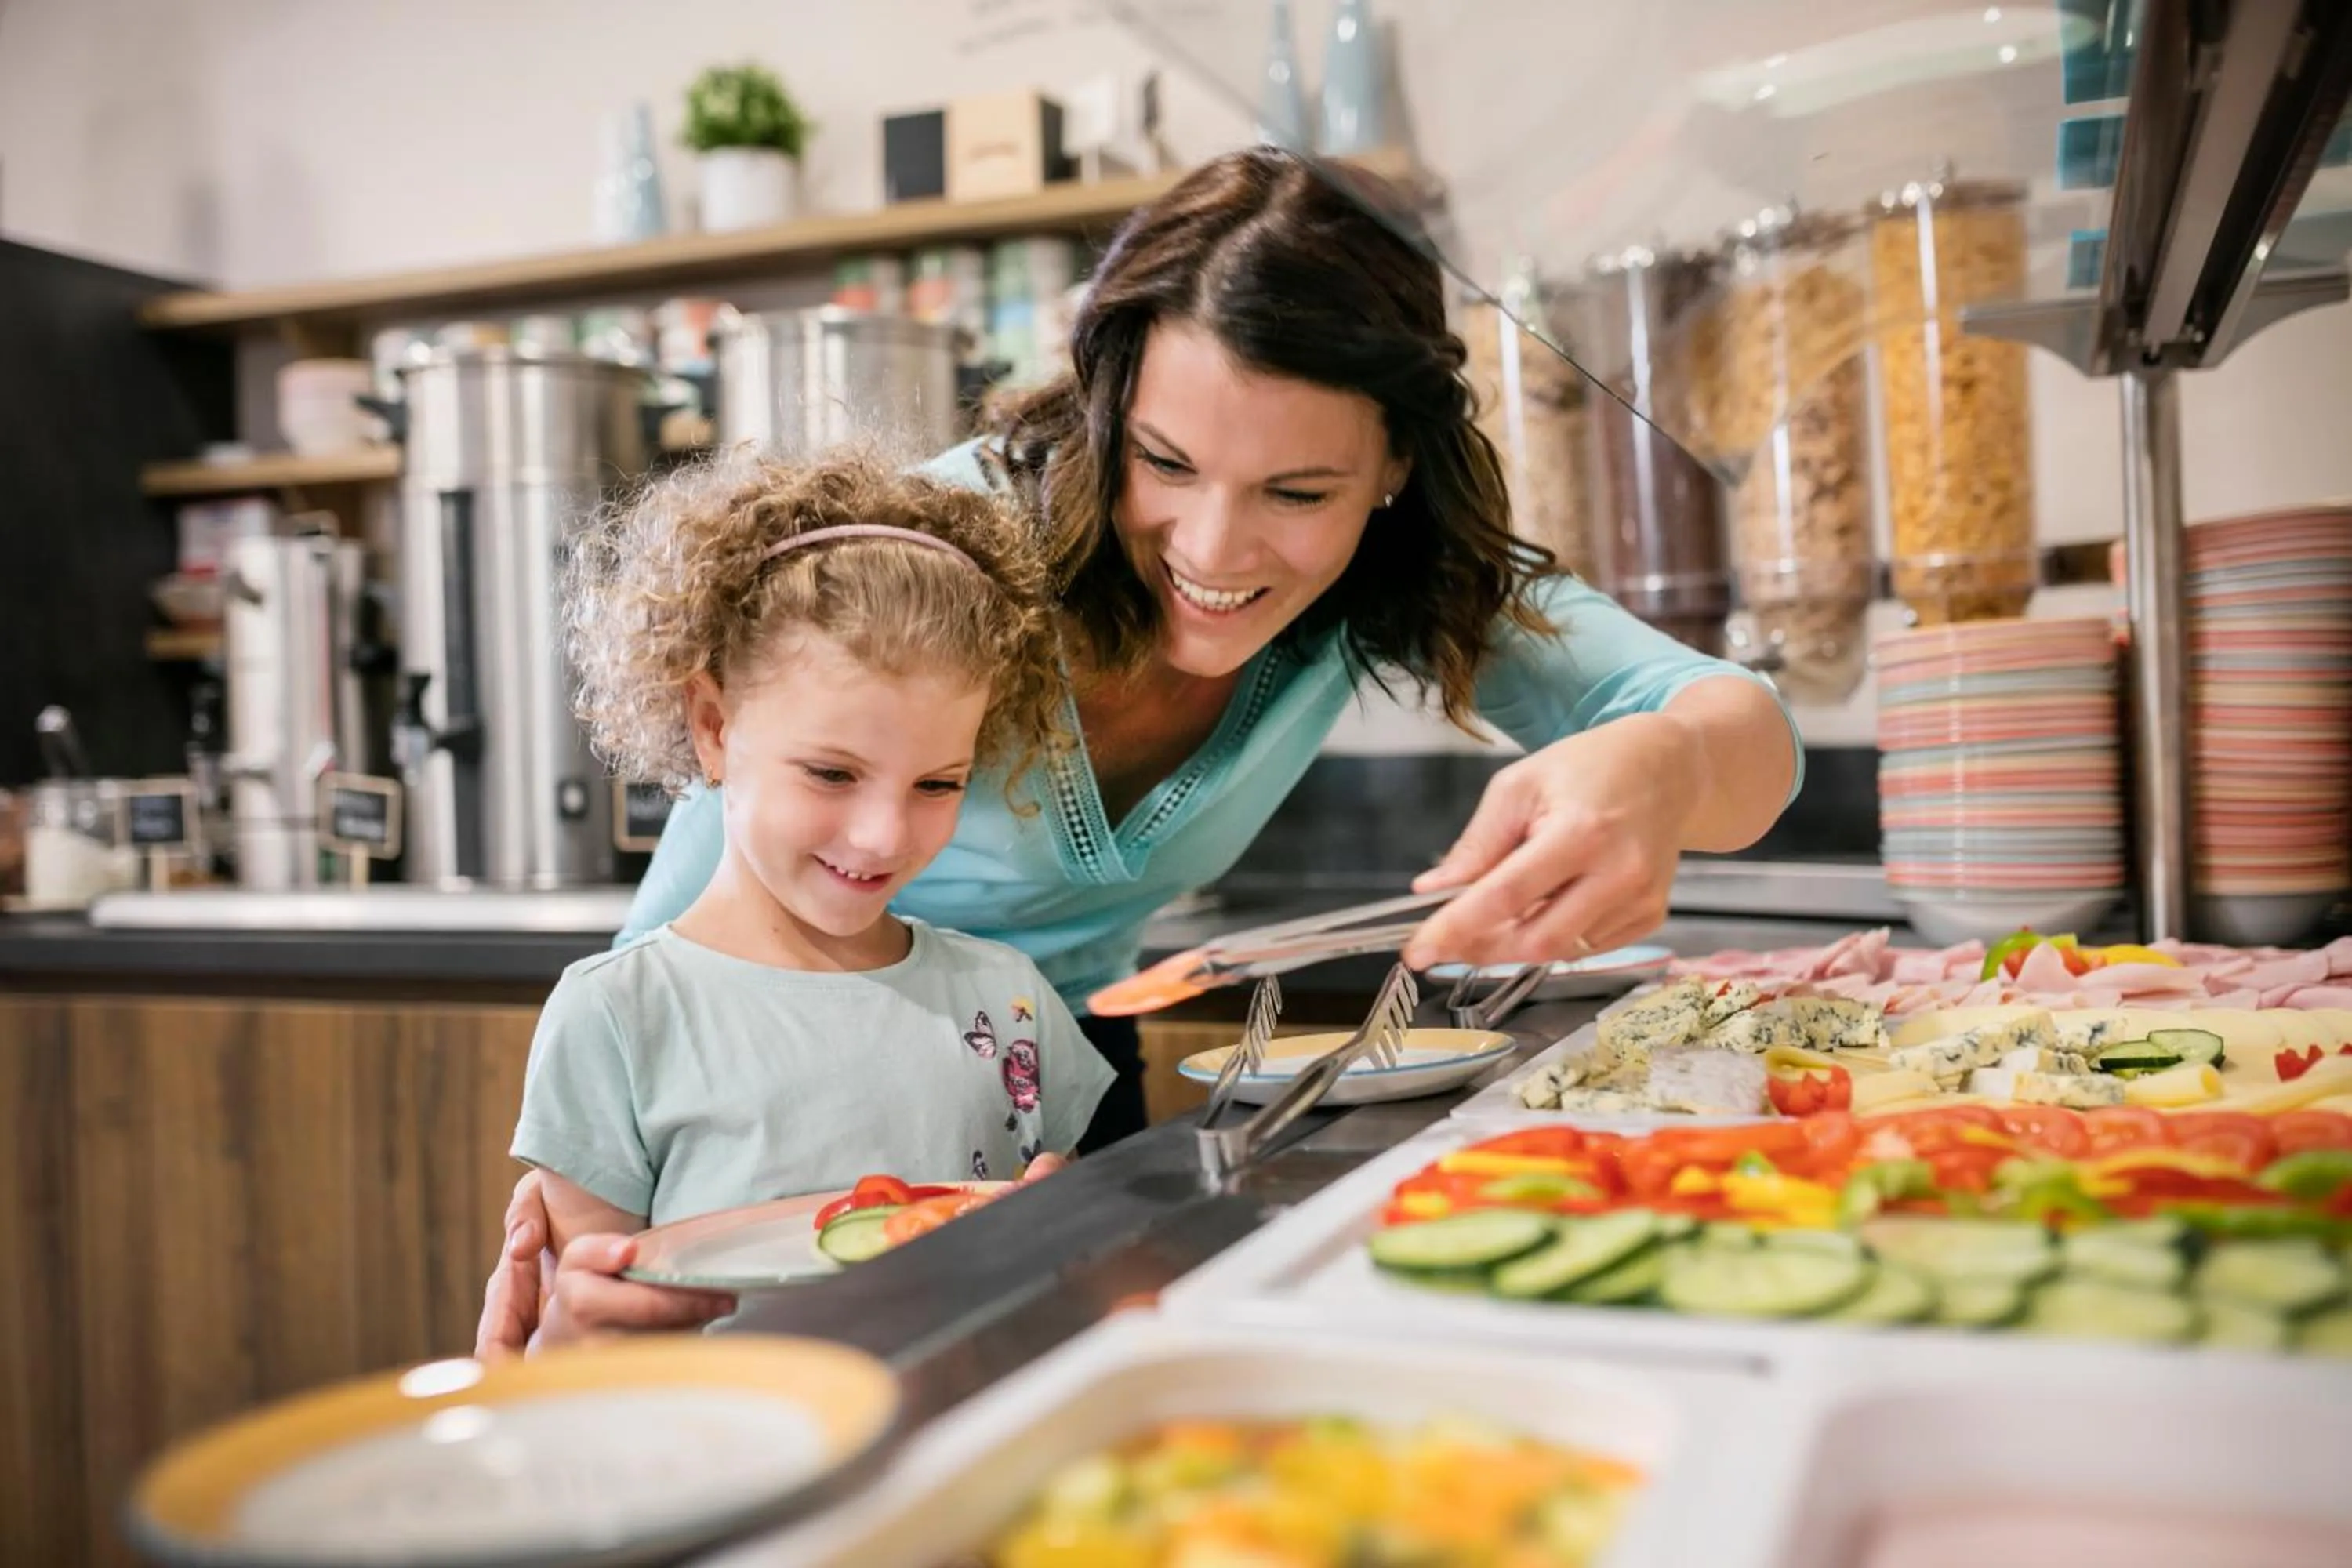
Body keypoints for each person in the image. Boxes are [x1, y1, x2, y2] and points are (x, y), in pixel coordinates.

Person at [477, 147, 1798, 1356]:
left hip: (1050, 1093)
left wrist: (1666, 769)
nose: (1216, 554)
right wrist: (582, 1241)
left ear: (1393, 463)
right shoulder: (923, 569)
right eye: (1164, 463)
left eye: (1298, 493)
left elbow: (1744, 731)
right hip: (781, 1125)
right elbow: (677, 963)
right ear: (1106, 403)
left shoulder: (1401, 581)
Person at [510, 451, 1115, 1344]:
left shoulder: (1008, 995)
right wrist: (569, 1331)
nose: (882, 835)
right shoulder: (618, 1017)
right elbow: (589, 1347)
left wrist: (1065, 1238)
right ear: (713, 726)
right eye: (832, 772)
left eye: (938, 783)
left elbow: (1069, 1274)